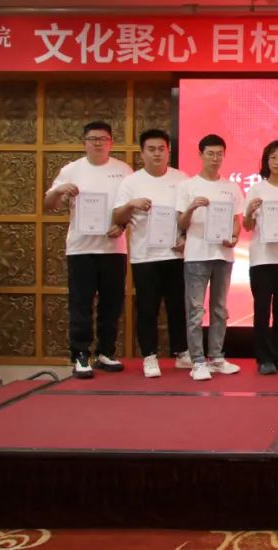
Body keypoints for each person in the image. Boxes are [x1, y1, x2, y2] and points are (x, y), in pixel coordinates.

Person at [44, 121, 132, 379]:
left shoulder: (123, 170)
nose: (97, 143)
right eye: (92, 139)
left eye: (103, 139)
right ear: (84, 143)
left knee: (111, 303)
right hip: (80, 248)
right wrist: (59, 190)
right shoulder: (71, 170)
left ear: (110, 143)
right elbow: (49, 204)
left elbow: (129, 207)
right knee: (81, 303)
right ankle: (80, 354)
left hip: (114, 248)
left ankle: (106, 352)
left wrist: (122, 224)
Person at [112, 129, 190, 378]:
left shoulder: (182, 179)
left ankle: (182, 352)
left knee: (178, 306)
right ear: (142, 153)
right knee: (147, 308)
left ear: (169, 151)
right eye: (151, 149)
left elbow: (190, 217)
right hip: (145, 257)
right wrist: (131, 204)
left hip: (175, 255)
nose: (157, 153)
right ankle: (149, 356)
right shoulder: (131, 182)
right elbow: (117, 217)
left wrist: (185, 238)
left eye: (161, 149)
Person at [176, 134, 244, 381]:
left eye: (219, 154)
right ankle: (197, 361)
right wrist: (192, 207)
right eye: (210, 153)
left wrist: (234, 237)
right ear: (201, 155)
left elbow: (237, 222)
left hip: (223, 255)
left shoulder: (231, 188)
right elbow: (180, 223)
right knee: (195, 310)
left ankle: (216, 357)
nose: (215, 158)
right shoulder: (187, 186)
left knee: (220, 309)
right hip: (196, 255)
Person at [244, 141, 278, 375]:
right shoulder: (256, 189)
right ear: (266, 161)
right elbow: (247, 226)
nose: (277, 162)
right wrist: (249, 211)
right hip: (261, 258)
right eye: (273, 157)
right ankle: (264, 358)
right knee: (262, 310)